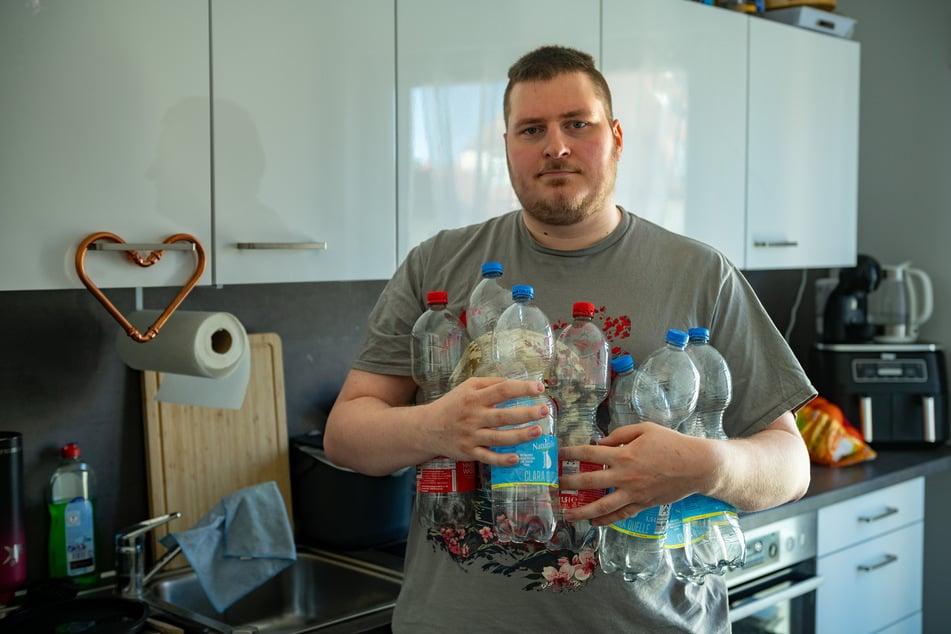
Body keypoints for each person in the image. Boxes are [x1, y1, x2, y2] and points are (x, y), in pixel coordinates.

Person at [324, 45, 815, 632]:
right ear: (506, 146)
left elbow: (791, 466)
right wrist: (436, 426)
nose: (555, 146)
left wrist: (707, 465)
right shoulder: (437, 264)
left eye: (576, 124)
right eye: (531, 129)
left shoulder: (701, 274)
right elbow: (345, 435)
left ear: (615, 136)